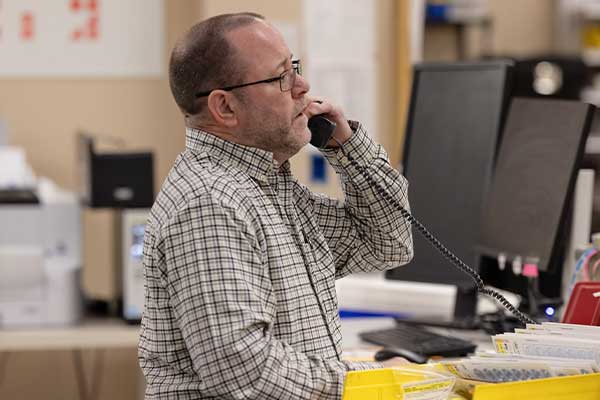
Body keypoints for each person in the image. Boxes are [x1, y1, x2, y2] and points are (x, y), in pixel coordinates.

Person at [138, 12, 413, 400]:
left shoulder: (269, 189)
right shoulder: (210, 204)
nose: (303, 86)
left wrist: (347, 147)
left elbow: (388, 243)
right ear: (226, 108)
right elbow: (245, 373)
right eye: (281, 77)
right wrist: (365, 382)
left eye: (294, 68)